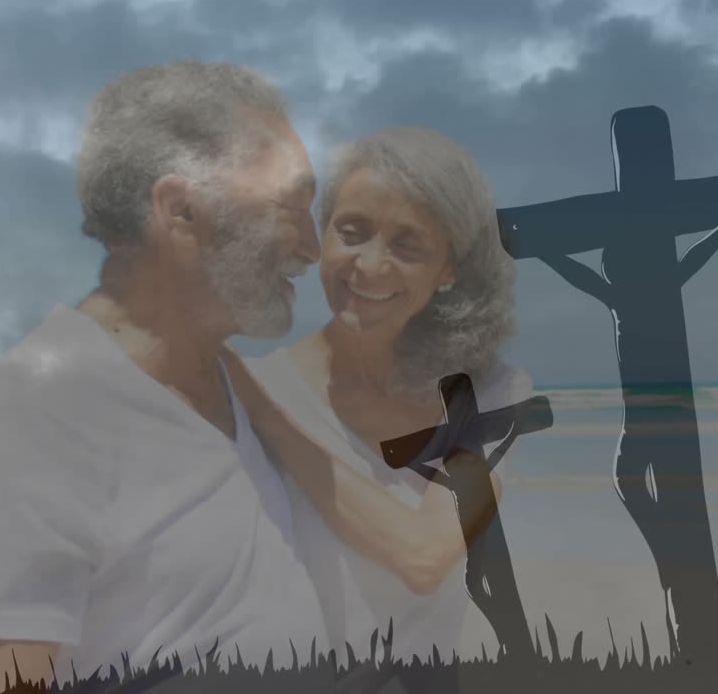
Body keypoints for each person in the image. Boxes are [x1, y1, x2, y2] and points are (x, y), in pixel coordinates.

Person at [0, 60, 327, 688]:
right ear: (181, 211)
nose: (312, 244)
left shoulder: (230, 385)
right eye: (291, 206)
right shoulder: (37, 413)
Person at [219, 126, 532, 666]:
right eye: (352, 231)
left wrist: (271, 419)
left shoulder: (488, 393)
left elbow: (424, 557)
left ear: (449, 269)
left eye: (408, 245)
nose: (369, 265)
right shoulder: (248, 389)